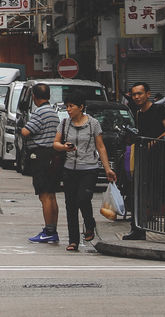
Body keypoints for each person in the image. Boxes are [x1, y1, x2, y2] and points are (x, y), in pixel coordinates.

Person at [55, 93, 116, 251]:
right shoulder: (64, 124)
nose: (68, 110)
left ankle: (89, 223)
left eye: (71, 106)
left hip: (89, 168)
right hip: (69, 169)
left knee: (83, 198)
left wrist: (107, 168)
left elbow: (100, 146)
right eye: (67, 106)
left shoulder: (93, 124)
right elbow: (55, 143)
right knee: (70, 206)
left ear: (81, 107)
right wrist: (64, 146)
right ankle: (73, 240)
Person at [123, 82, 165, 240]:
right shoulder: (139, 113)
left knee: (160, 190)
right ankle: (137, 229)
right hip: (143, 156)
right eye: (134, 95)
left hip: (159, 156)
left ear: (148, 94)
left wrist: (154, 141)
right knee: (137, 191)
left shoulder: (159, 109)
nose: (137, 97)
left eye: (140, 93)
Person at [21, 83, 61, 244]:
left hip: (41, 156)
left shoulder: (40, 112)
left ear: (34, 97)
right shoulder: (53, 112)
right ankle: (52, 229)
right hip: (52, 155)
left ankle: (49, 231)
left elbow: (26, 131)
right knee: (51, 195)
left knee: (44, 196)